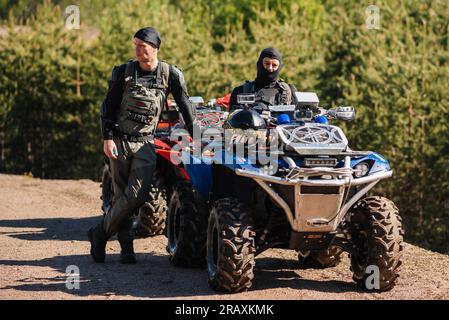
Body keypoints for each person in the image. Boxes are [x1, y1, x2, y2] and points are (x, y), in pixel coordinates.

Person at [88, 27, 194, 264]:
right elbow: (108, 107)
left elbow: (185, 104)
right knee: (119, 196)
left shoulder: (171, 74)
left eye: (142, 46)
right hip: (120, 141)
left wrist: (195, 133)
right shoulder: (123, 72)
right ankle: (127, 250)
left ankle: (99, 233)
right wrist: (107, 138)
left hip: (146, 143)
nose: (137, 49)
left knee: (136, 195)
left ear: (155, 48)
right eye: (135, 44)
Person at [229, 47, 298, 111]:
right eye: (267, 63)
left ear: (279, 67)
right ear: (259, 64)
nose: (270, 68)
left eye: (274, 65)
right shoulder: (240, 91)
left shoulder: (288, 92)